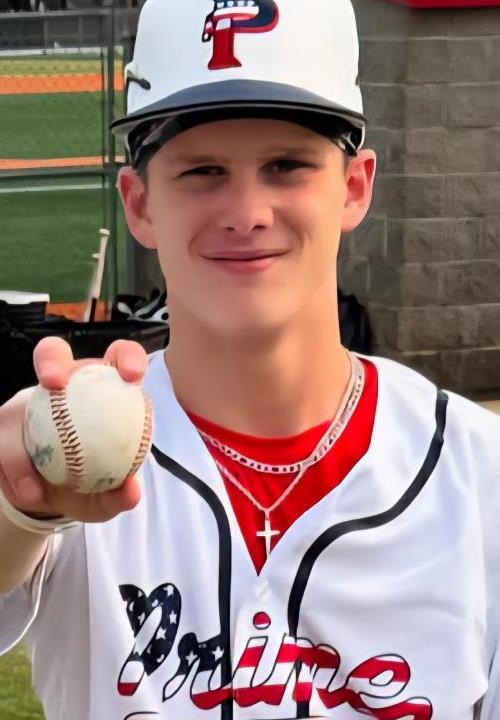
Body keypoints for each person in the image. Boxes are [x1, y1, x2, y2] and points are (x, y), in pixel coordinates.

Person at [1, 0, 499, 718]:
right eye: (202, 170)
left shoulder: (477, 475)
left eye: (286, 165)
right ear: (139, 204)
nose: (246, 212)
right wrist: (18, 505)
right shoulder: (69, 476)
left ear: (354, 187)